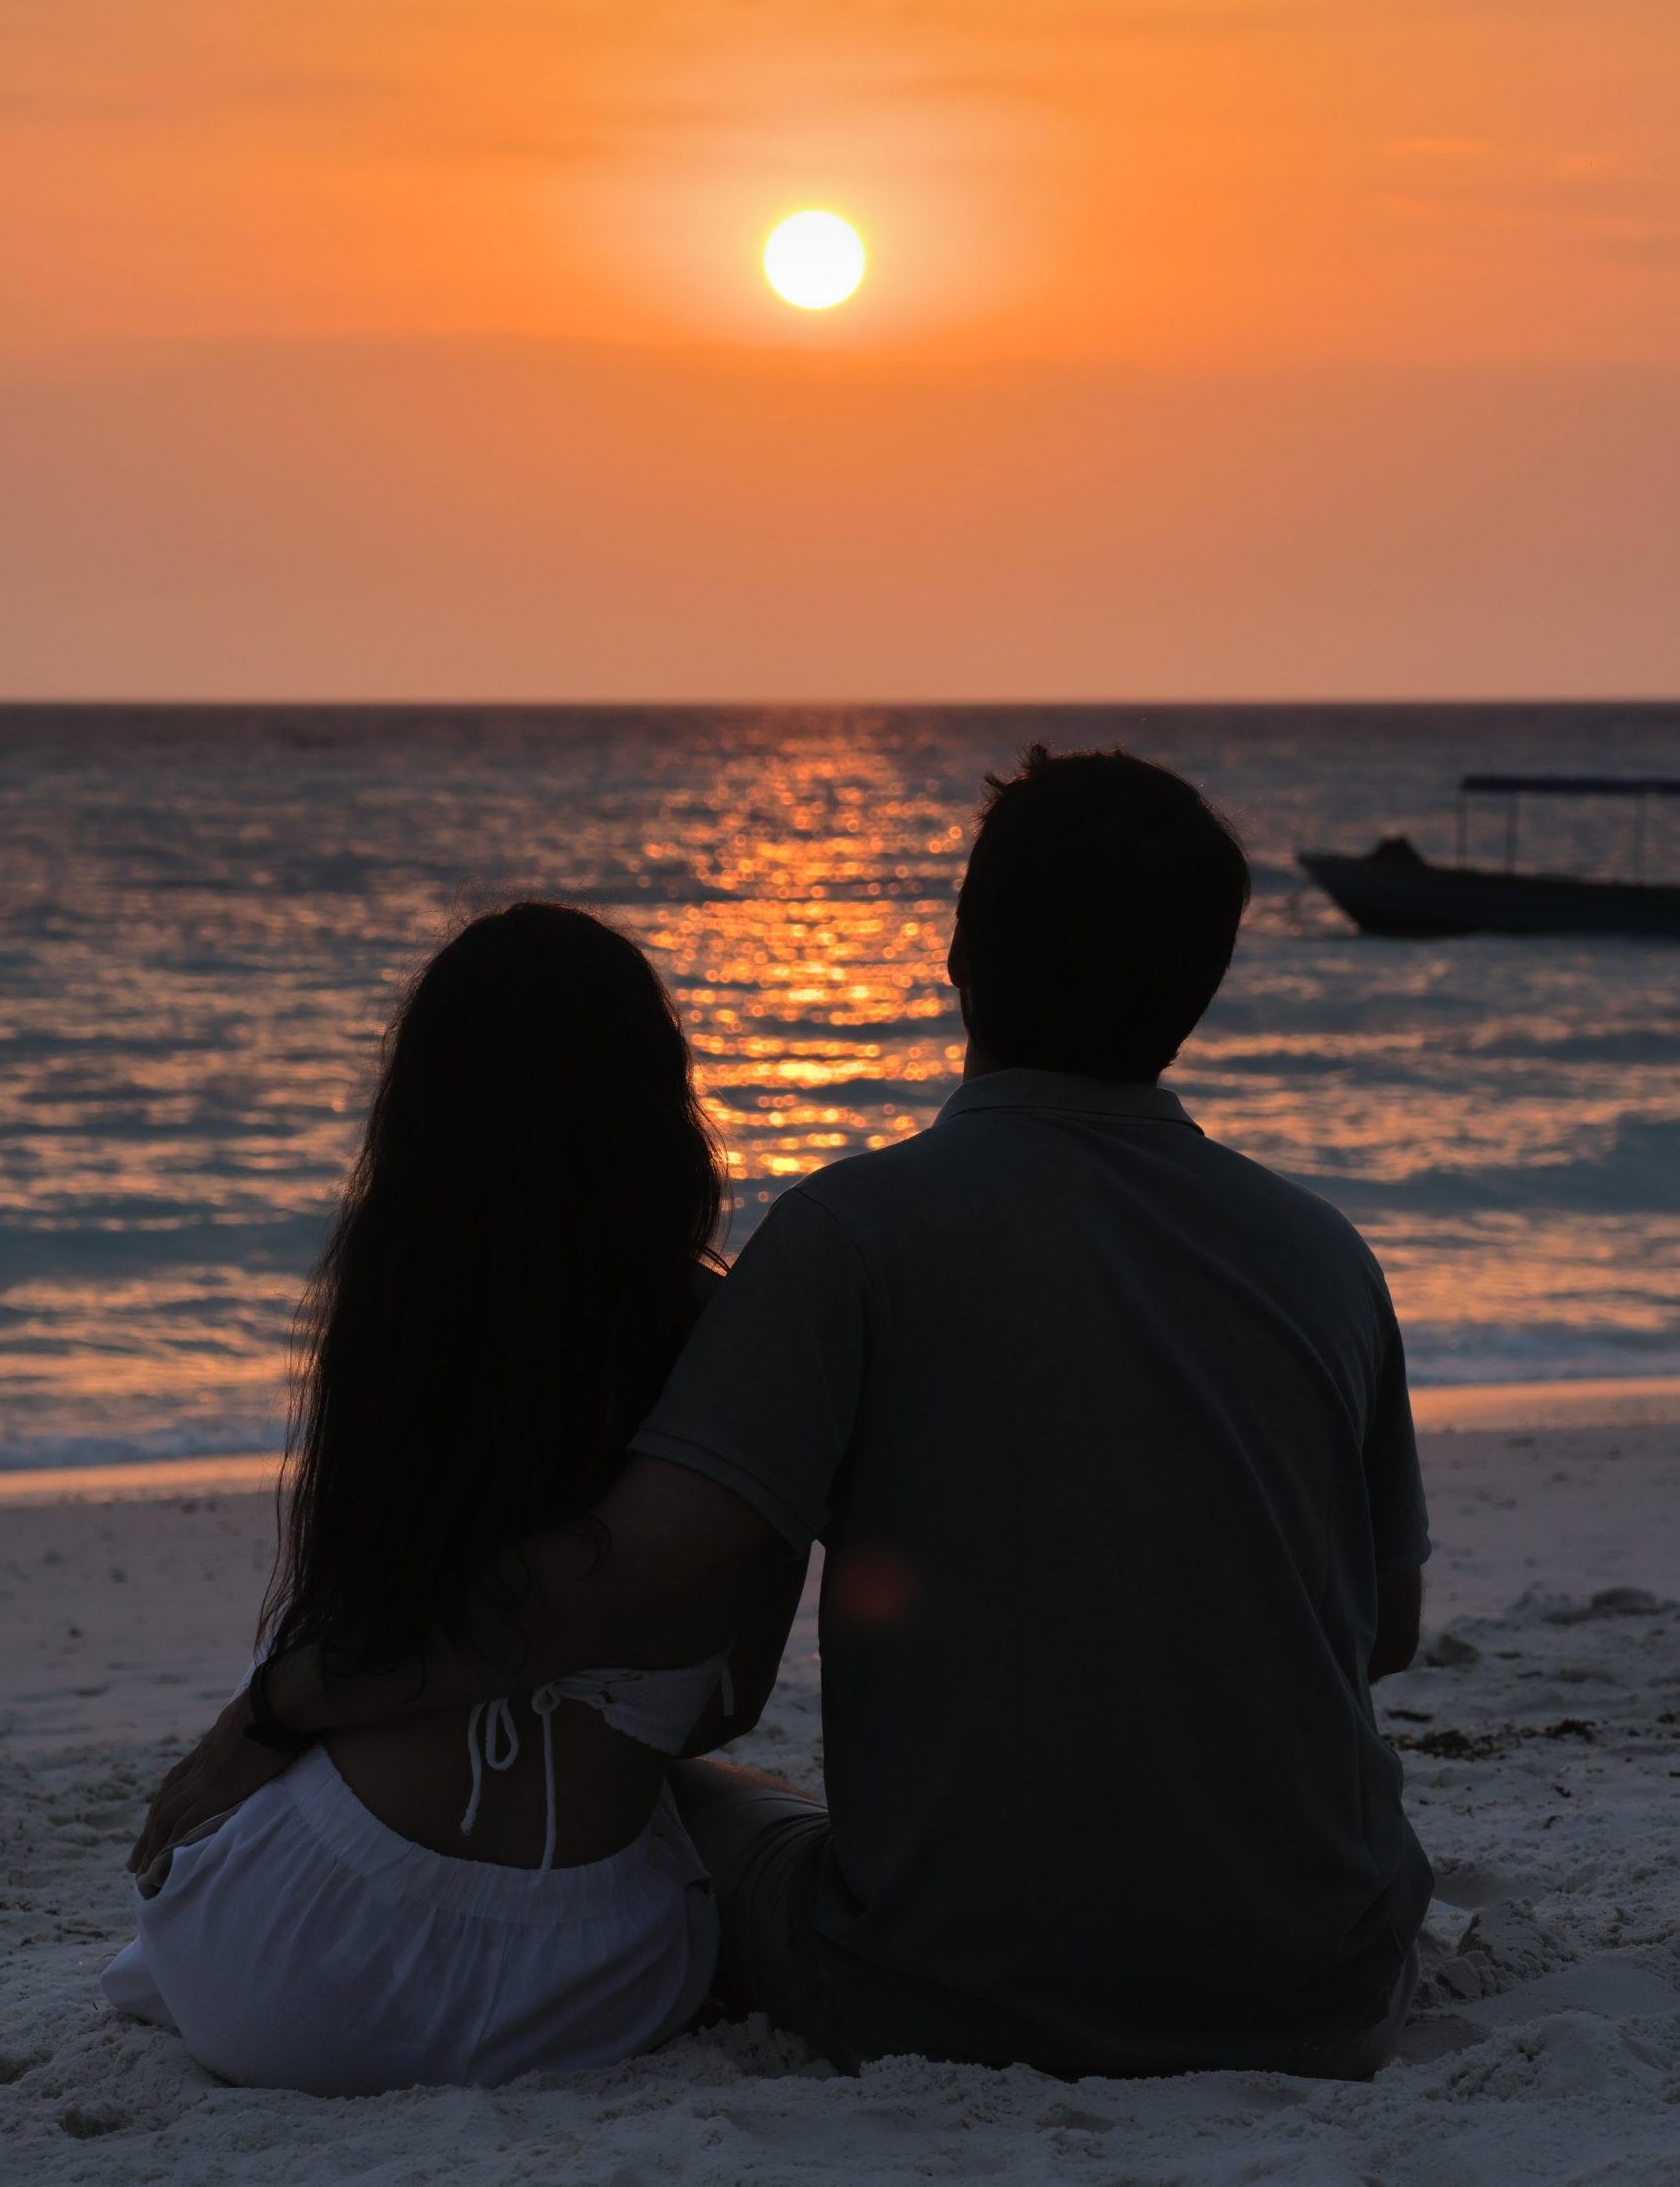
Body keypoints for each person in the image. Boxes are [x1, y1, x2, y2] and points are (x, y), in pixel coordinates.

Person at [134, 747, 1432, 2083]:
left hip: (958, 1998)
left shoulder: (850, 1241)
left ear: (953, 955)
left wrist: (283, 1705)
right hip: (1323, 1988)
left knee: (686, 1812)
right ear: (1199, 991)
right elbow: (1378, 1629)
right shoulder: (1323, 1256)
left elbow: (596, 1600)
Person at [106, 902, 805, 2093]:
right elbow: (721, 1710)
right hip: (592, 1983)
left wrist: (276, 1719)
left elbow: (362, 1619)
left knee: (300, 1656)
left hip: (283, 1978)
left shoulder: (403, 1319)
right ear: (659, 1104)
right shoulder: (741, 1350)